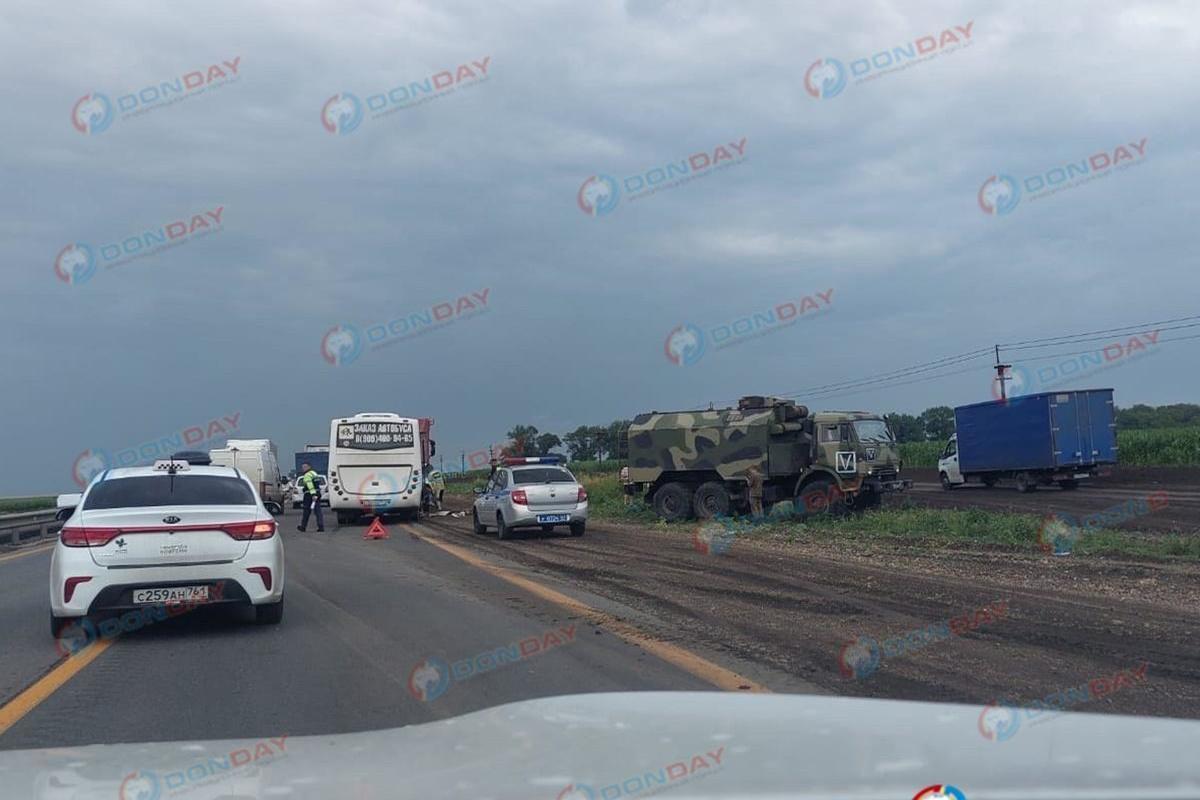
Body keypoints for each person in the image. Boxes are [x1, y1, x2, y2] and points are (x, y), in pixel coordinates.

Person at [297, 462, 325, 532]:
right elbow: (316, 484)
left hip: (309, 495)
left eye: (305, 467)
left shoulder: (307, 475)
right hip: (317, 493)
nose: (303, 468)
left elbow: (310, 485)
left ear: (309, 467)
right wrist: (316, 494)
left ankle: (303, 527)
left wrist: (313, 494)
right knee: (318, 511)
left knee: (306, 511)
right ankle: (321, 526)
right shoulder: (314, 473)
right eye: (303, 467)